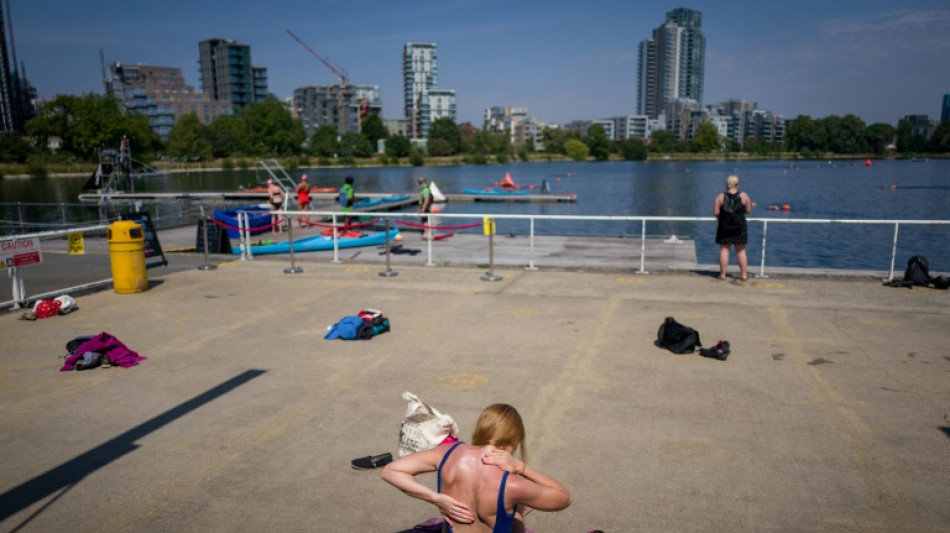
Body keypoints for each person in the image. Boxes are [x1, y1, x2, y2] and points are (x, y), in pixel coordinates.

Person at [381, 404, 572, 533]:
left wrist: (436, 498)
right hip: (505, 501)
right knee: (515, 514)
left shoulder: (447, 453)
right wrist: (521, 468)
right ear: (514, 441)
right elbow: (564, 498)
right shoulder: (512, 486)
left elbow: (391, 471)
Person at [713, 174, 752, 281]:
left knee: (724, 251)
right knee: (741, 251)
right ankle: (743, 275)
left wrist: (721, 218)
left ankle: (723, 274)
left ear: (727, 185)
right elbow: (748, 211)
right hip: (740, 227)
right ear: (737, 185)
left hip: (724, 227)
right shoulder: (744, 196)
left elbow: (716, 212)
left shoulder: (720, 197)